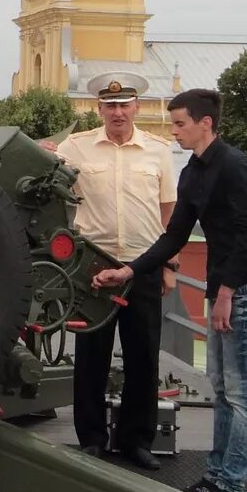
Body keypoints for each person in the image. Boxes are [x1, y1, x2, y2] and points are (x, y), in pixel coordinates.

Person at [96, 86, 247, 492]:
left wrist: (227, 292)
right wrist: (131, 270)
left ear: (205, 123)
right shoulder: (193, 170)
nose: (174, 132)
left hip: (244, 288)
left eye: (180, 124)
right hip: (224, 288)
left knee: (242, 391)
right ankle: (216, 477)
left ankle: (233, 487)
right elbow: (174, 236)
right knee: (221, 387)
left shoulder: (234, 166)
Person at [53, 69, 177, 470]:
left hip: (143, 263)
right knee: (92, 354)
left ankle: (135, 440)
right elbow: (51, 183)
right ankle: (91, 439)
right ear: (99, 109)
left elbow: (168, 212)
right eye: (110, 105)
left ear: (137, 107)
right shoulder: (77, 147)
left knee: (144, 356)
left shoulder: (158, 150)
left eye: (124, 104)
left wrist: (170, 265)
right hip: (93, 264)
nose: (117, 112)